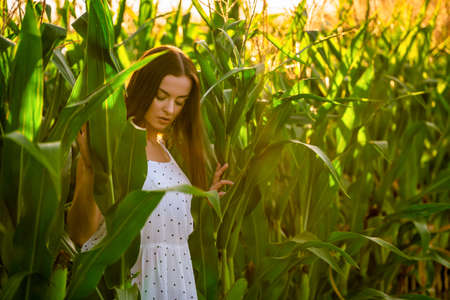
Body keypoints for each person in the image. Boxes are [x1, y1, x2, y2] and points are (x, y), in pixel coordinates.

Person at [66, 45, 233, 300]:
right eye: (161, 96)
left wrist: (202, 201)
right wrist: (90, 168)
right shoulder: (112, 144)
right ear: (143, 89)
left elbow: (167, 233)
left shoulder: (163, 147)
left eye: (180, 101)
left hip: (176, 286)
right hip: (133, 289)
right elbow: (81, 233)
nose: (169, 110)